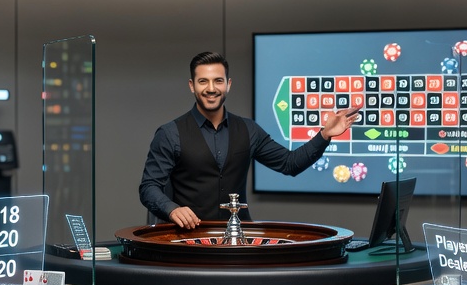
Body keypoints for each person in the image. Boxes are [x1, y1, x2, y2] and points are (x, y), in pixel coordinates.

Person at [140, 51, 361, 228]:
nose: (211, 89)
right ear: (192, 85)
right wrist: (172, 209)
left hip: (239, 242)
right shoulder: (170, 133)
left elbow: (290, 163)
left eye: (218, 81)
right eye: (203, 81)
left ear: (228, 84)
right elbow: (149, 187)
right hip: (189, 242)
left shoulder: (248, 129)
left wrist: (324, 135)